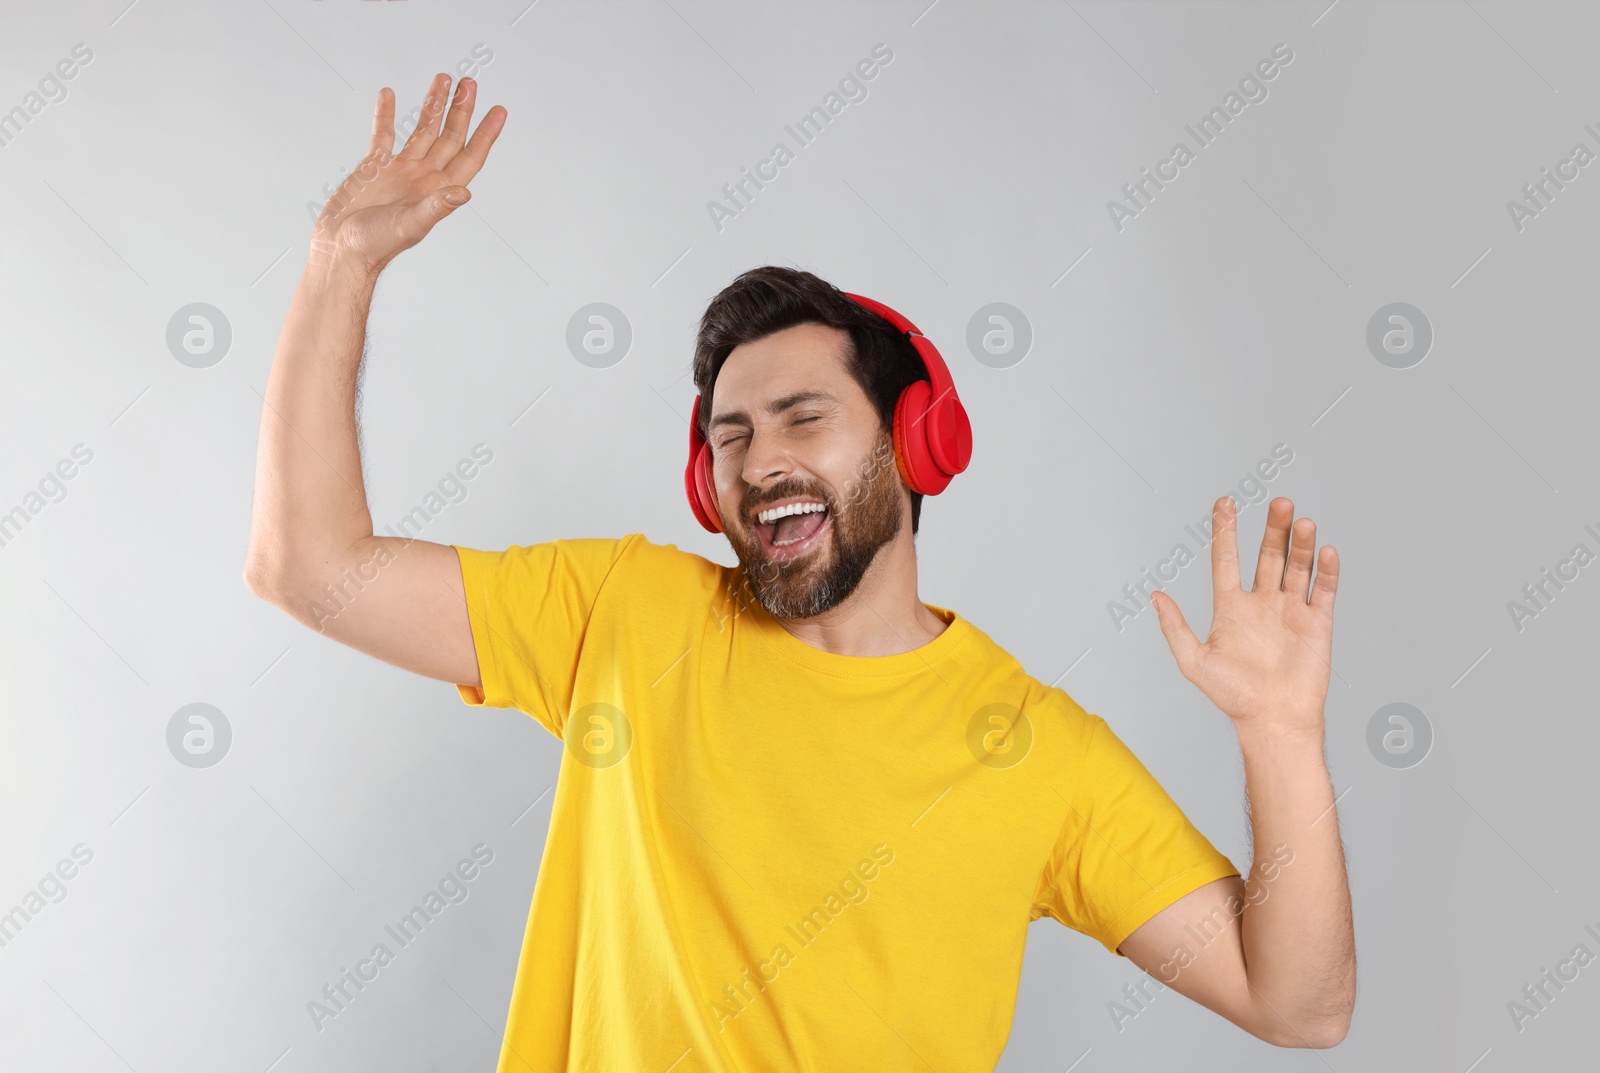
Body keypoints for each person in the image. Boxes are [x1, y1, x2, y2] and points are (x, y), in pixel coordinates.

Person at [245, 73, 1355, 1072]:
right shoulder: (622, 614)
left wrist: (1279, 735)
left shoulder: (1033, 747)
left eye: (802, 416)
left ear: (917, 442)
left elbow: (1295, 1005)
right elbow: (310, 564)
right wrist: (339, 262)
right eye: (729, 435)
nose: (761, 458)